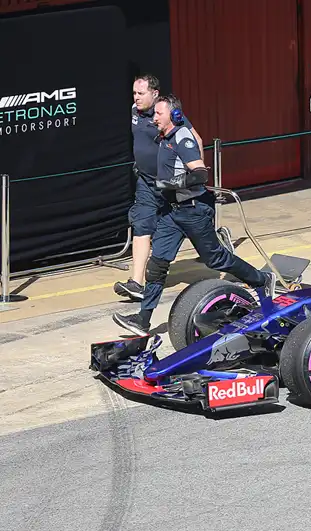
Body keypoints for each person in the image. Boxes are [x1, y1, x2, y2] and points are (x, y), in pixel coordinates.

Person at [113, 94, 274, 336]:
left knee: (216, 259)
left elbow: (200, 174)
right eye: (154, 113)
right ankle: (143, 320)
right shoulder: (163, 137)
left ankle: (261, 279)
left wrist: (172, 182)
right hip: (172, 213)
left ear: (174, 116)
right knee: (157, 265)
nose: (154, 118)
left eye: (159, 113)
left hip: (193, 210)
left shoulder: (182, 138)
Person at [114, 74, 204, 301]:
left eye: (141, 93)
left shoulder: (168, 115)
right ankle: (136, 283)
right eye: (134, 93)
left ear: (155, 94)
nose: (136, 98)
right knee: (142, 224)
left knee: (192, 230)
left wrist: (196, 177)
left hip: (170, 184)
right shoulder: (134, 111)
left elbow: (196, 140)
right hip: (146, 181)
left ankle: (219, 252)